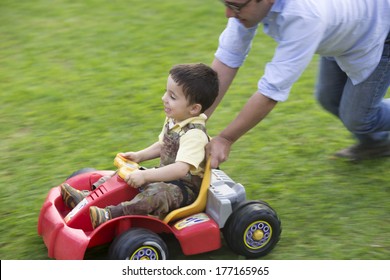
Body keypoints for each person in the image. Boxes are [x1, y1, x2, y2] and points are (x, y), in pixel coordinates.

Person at [206, 0, 390, 168]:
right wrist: (196, 121)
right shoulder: (248, 5)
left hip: (380, 31)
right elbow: (228, 58)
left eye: (236, 6)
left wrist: (226, 139)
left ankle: (375, 140)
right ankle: (378, 143)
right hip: (344, 29)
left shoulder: (304, 16)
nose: (228, 13)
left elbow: (271, 90)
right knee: (329, 98)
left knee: (360, 118)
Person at [61, 63, 219, 228]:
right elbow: (164, 145)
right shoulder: (176, 120)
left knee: (155, 195)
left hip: (183, 191)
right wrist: (139, 156)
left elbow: (180, 169)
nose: (164, 98)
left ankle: (110, 215)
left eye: (172, 97)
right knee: (124, 175)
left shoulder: (195, 135)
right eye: (166, 92)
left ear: (194, 109)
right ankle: (87, 198)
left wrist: (146, 176)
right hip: (164, 177)